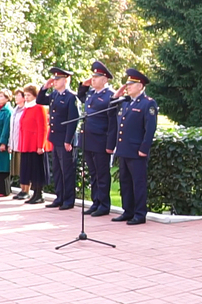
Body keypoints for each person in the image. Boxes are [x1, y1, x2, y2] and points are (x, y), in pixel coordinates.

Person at [111, 68, 158, 225]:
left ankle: (139, 214)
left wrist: (144, 149)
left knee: (138, 183)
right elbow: (111, 108)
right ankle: (128, 211)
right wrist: (117, 94)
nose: (127, 86)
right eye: (127, 84)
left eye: (131, 84)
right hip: (124, 150)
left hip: (137, 151)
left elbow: (150, 129)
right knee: (125, 182)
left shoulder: (148, 103)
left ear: (140, 86)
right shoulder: (125, 102)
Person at [77, 61, 118, 217]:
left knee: (102, 174)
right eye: (93, 76)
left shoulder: (111, 96)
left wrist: (110, 144)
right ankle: (95, 202)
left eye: (97, 77)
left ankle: (104, 204)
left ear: (105, 79)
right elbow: (80, 95)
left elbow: (113, 122)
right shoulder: (91, 94)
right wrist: (84, 84)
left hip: (101, 140)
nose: (93, 79)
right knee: (93, 173)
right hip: (88, 139)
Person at [37, 67, 79, 210]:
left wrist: (68, 140)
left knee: (67, 171)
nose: (54, 81)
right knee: (57, 170)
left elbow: (73, 120)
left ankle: (68, 200)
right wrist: (44, 87)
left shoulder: (71, 97)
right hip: (55, 138)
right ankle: (59, 197)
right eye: (54, 79)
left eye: (58, 79)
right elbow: (40, 100)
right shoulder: (55, 95)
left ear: (66, 80)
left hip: (65, 139)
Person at [19, 84, 52, 204]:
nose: (26, 97)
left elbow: (43, 127)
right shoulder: (27, 108)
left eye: (28, 95)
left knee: (37, 170)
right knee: (30, 170)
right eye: (25, 95)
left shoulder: (40, 107)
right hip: (27, 144)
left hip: (36, 144)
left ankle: (39, 193)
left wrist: (40, 145)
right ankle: (34, 193)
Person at [9, 88, 27, 198]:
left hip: (23, 142)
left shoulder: (26, 110)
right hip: (15, 142)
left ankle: (26, 190)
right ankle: (22, 189)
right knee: (18, 168)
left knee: (24, 167)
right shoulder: (15, 110)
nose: (16, 98)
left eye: (18, 95)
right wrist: (10, 143)